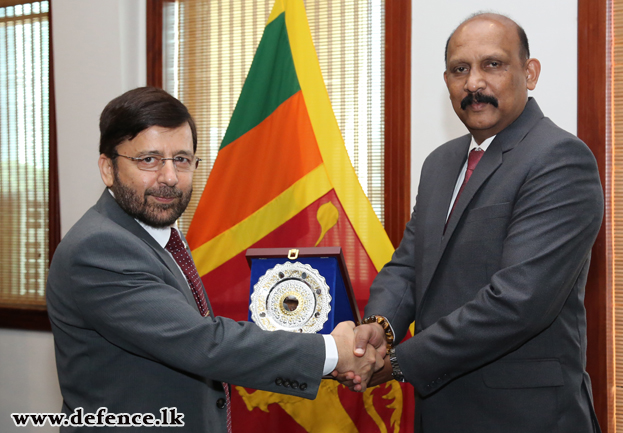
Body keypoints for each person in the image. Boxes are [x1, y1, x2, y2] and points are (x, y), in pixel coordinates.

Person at [46, 87, 381, 432]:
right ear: (107, 168)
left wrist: (334, 355)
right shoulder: (100, 247)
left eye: (182, 159)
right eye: (148, 160)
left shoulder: (160, 235)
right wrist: (332, 351)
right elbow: (204, 343)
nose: (170, 177)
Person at [344, 12, 604, 433]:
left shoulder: (559, 159)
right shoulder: (440, 163)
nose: (474, 84)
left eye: (493, 65)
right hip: (440, 411)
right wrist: (379, 328)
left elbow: (517, 303)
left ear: (530, 73)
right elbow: (410, 263)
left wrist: (395, 363)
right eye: (460, 69)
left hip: (524, 419)